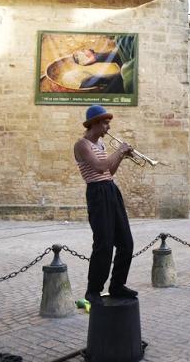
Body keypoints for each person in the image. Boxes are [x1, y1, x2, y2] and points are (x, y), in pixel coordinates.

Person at [73, 105, 136, 304]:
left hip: (111, 189)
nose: (108, 127)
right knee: (104, 244)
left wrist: (122, 157)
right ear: (94, 124)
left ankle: (117, 285)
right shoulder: (82, 144)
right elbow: (100, 167)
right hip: (97, 193)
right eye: (105, 123)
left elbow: (110, 171)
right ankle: (93, 291)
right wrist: (120, 151)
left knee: (126, 243)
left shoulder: (101, 144)